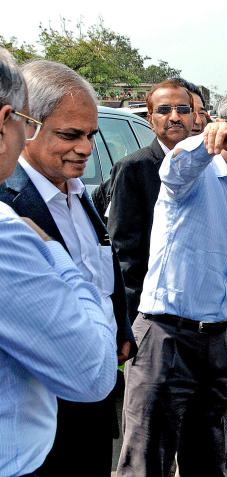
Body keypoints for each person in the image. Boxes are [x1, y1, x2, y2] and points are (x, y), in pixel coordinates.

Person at [117, 88, 227, 477]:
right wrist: (203, 140)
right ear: (223, 126)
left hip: (214, 343)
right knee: (147, 462)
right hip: (165, 338)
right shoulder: (194, 174)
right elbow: (175, 169)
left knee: (207, 457)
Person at [0, 56, 125, 476]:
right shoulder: (10, 210)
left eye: (91, 134)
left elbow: (104, 266)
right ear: (23, 125)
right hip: (45, 413)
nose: (86, 148)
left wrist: (120, 329)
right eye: (70, 134)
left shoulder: (80, 192)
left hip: (97, 388)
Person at [106, 79, 194, 322]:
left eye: (183, 110)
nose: (175, 117)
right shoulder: (133, 168)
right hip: (152, 310)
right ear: (150, 119)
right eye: (164, 110)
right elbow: (125, 251)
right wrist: (131, 316)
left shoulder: (210, 166)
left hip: (200, 308)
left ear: (194, 116)